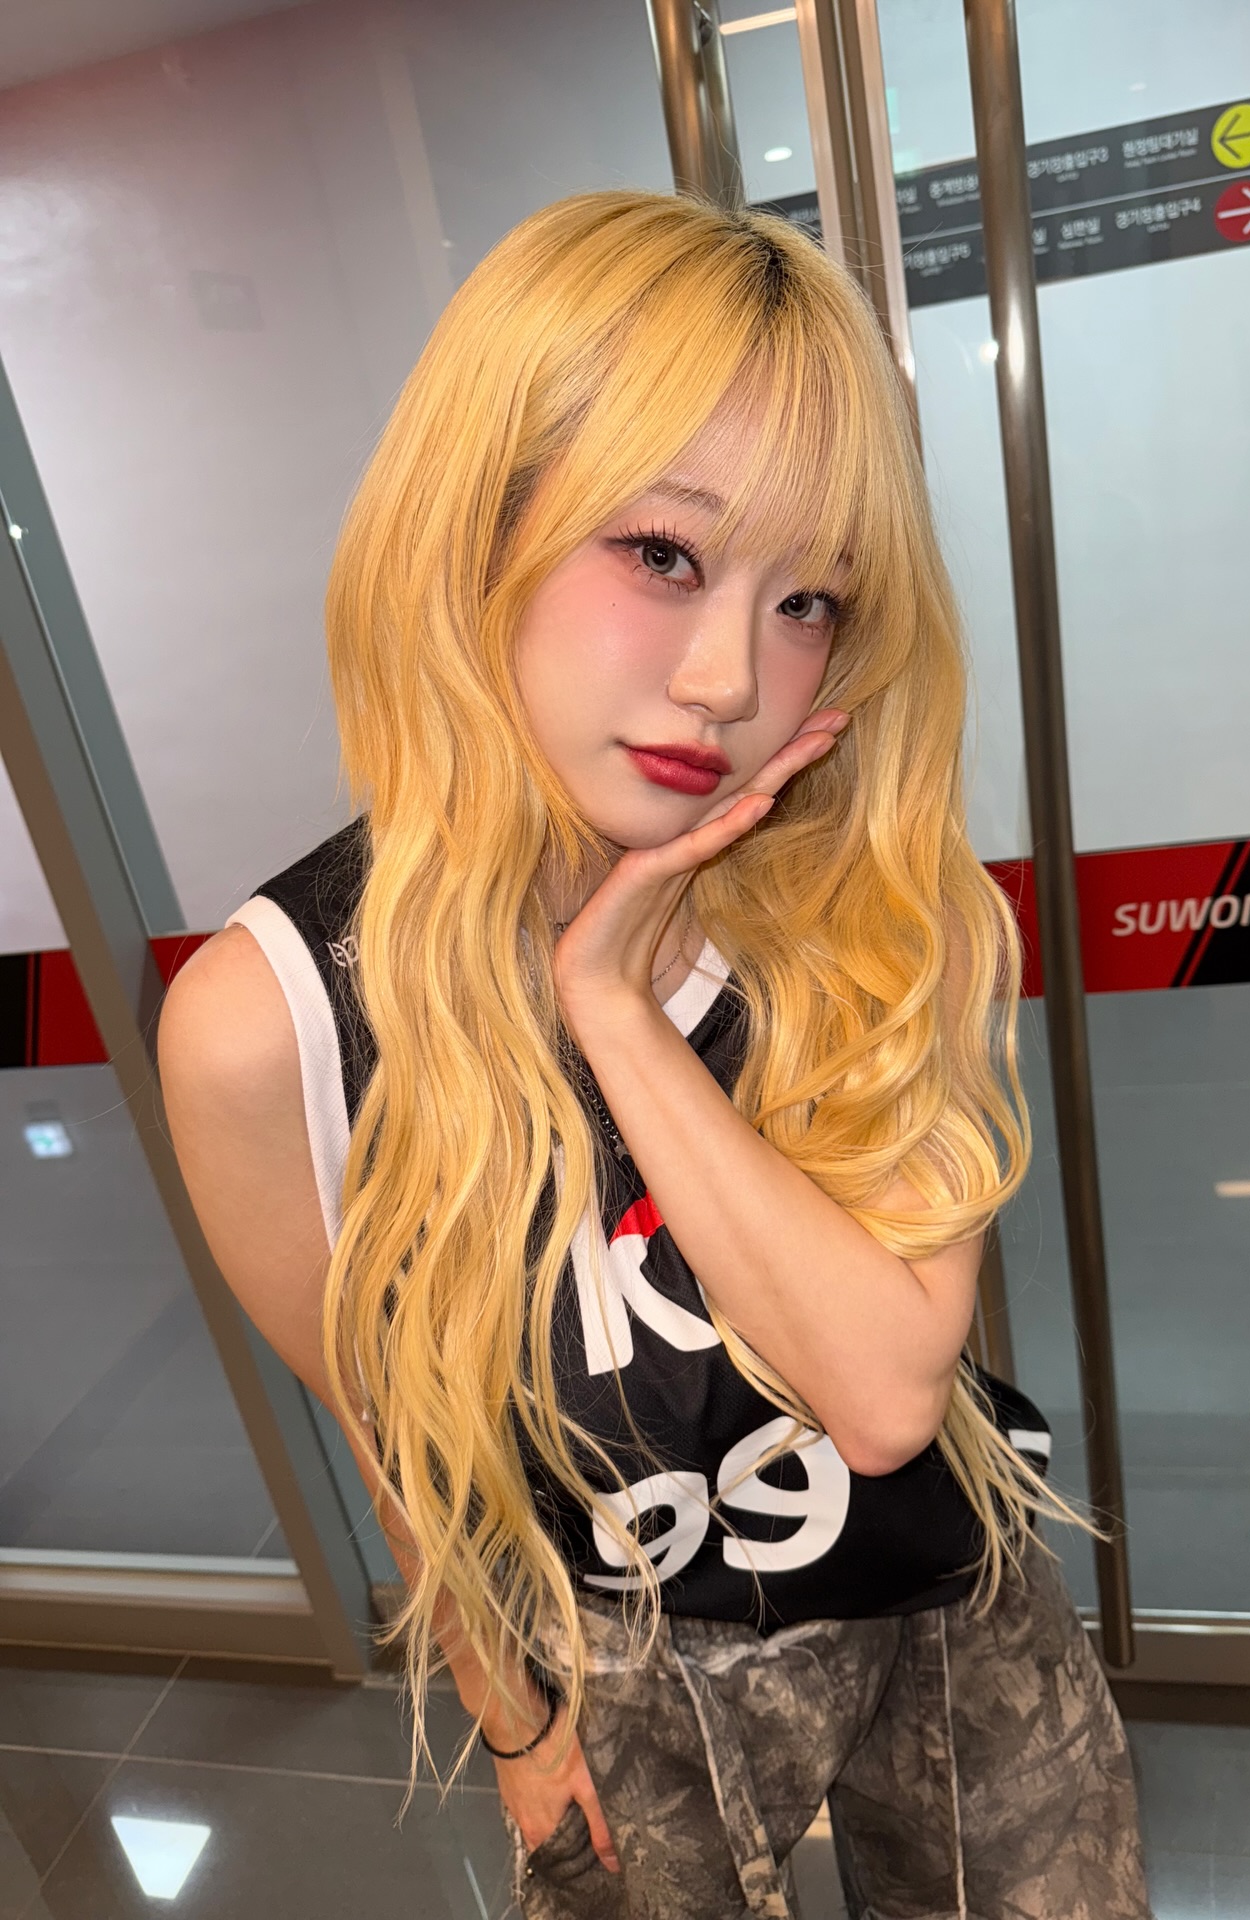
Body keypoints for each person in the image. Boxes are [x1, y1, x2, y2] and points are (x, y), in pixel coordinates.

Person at [159, 190, 1150, 1919]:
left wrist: (613, 1009)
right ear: (476, 525)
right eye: (666, 556)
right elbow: (394, 1429)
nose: (727, 681)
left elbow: (886, 1394)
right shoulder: (275, 1026)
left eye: (808, 600)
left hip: (949, 1598)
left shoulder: (870, 908)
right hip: (630, 1673)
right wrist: (512, 1716)